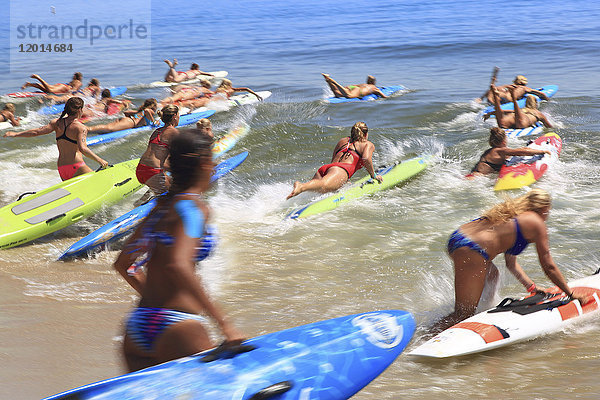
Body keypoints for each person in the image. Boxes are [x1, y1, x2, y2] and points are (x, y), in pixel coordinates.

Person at [114, 130, 245, 372]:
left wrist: (155, 302)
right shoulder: (194, 209)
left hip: (139, 325)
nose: (215, 166)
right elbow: (179, 264)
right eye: (212, 160)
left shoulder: (160, 208)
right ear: (203, 164)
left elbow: (125, 264)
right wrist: (224, 324)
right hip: (176, 326)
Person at [433, 188, 588, 333]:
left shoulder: (513, 212)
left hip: (458, 238)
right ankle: (424, 338)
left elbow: (511, 263)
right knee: (462, 313)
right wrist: (570, 293)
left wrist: (531, 287)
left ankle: (481, 312)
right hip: (471, 249)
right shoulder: (536, 222)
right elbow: (549, 266)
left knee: (493, 274)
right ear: (544, 208)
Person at [3, 97, 108, 180]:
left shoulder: (56, 123)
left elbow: (36, 132)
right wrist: (100, 160)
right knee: (100, 181)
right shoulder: (81, 127)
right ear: (80, 110)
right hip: (76, 166)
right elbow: (83, 148)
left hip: (62, 168)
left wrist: (15, 134)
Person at [286, 122, 383, 199]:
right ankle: (301, 186)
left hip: (326, 169)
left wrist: (342, 179)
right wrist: (373, 175)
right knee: (321, 186)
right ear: (365, 134)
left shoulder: (343, 141)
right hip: (340, 170)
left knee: (311, 196)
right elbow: (366, 158)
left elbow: (334, 160)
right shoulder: (367, 144)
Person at [135, 104, 181, 198]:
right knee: (172, 196)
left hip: (140, 170)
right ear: (175, 116)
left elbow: (160, 157)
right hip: (153, 172)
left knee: (166, 184)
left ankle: (138, 205)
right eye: (179, 115)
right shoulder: (174, 132)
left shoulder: (157, 131)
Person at [467, 127, 550, 177]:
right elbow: (522, 152)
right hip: (478, 178)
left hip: (472, 175)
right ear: (503, 141)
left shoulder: (490, 151)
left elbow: (515, 152)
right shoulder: (501, 150)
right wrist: (542, 151)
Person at [88, 98, 158, 134]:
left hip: (127, 120)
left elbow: (126, 112)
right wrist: (153, 121)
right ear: (153, 106)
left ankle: (88, 129)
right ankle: (87, 129)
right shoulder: (150, 111)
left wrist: (137, 113)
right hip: (130, 122)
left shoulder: (140, 112)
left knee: (106, 128)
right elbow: (147, 111)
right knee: (108, 128)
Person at [481, 75, 549, 104]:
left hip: (502, 95)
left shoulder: (508, 86)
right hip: (510, 99)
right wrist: (547, 100)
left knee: (494, 91)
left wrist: (482, 98)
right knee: (507, 97)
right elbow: (542, 94)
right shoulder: (524, 88)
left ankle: (490, 100)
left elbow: (491, 89)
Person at [322, 73, 387, 99]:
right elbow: (383, 96)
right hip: (358, 90)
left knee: (337, 94)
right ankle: (333, 82)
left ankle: (328, 80)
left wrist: (346, 88)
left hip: (353, 87)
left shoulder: (363, 84)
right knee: (349, 96)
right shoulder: (374, 87)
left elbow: (352, 86)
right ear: (374, 82)